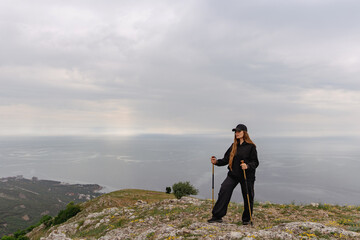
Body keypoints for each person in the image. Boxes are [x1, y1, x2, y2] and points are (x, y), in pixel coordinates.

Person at [208, 124, 259, 224]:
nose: (237, 133)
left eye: (239, 131)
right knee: (224, 190)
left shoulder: (251, 147)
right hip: (233, 175)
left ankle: (247, 219)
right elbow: (226, 159)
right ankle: (217, 216)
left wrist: (247, 166)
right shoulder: (233, 146)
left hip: (246, 176)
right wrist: (216, 162)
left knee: (248, 196)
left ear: (244, 133)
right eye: (236, 132)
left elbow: (255, 162)